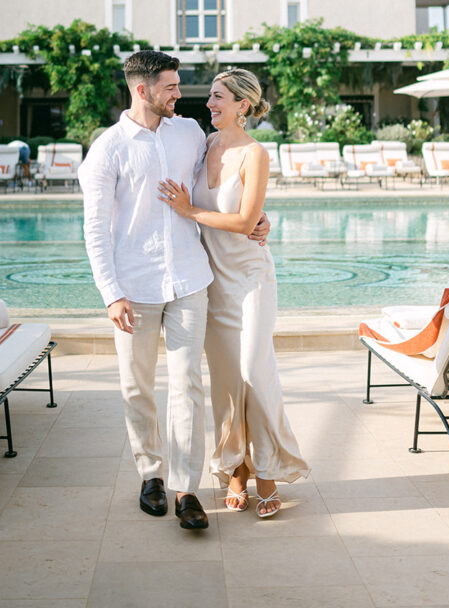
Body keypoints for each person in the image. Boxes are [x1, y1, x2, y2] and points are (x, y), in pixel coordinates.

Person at [79, 50, 268, 531]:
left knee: (188, 383)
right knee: (135, 385)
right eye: (171, 87)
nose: (181, 95)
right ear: (142, 91)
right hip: (134, 287)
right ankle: (150, 474)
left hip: (190, 278)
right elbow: (96, 228)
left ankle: (186, 489)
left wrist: (261, 220)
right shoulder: (107, 149)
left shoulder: (189, 135)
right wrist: (110, 293)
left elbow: (226, 180)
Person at [158, 68, 308, 518]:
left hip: (250, 281)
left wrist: (191, 211)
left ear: (243, 105)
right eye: (209, 97)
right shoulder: (205, 146)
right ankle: (236, 471)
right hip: (212, 284)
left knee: (254, 371)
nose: (208, 104)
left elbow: (245, 222)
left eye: (218, 97)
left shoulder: (255, 154)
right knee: (226, 383)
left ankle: (267, 473)